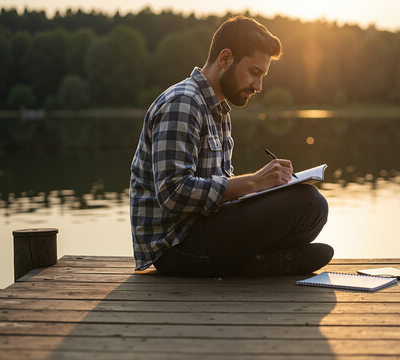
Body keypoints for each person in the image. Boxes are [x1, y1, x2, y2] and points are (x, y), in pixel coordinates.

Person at [129, 15, 333, 277]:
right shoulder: (183, 103)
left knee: (311, 208)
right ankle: (256, 262)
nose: (258, 86)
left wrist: (268, 189)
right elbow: (173, 192)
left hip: (203, 230)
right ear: (225, 59)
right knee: (308, 204)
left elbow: (218, 193)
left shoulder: (219, 110)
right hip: (175, 247)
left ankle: (256, 261)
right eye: (254, 72)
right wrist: (254, 182)